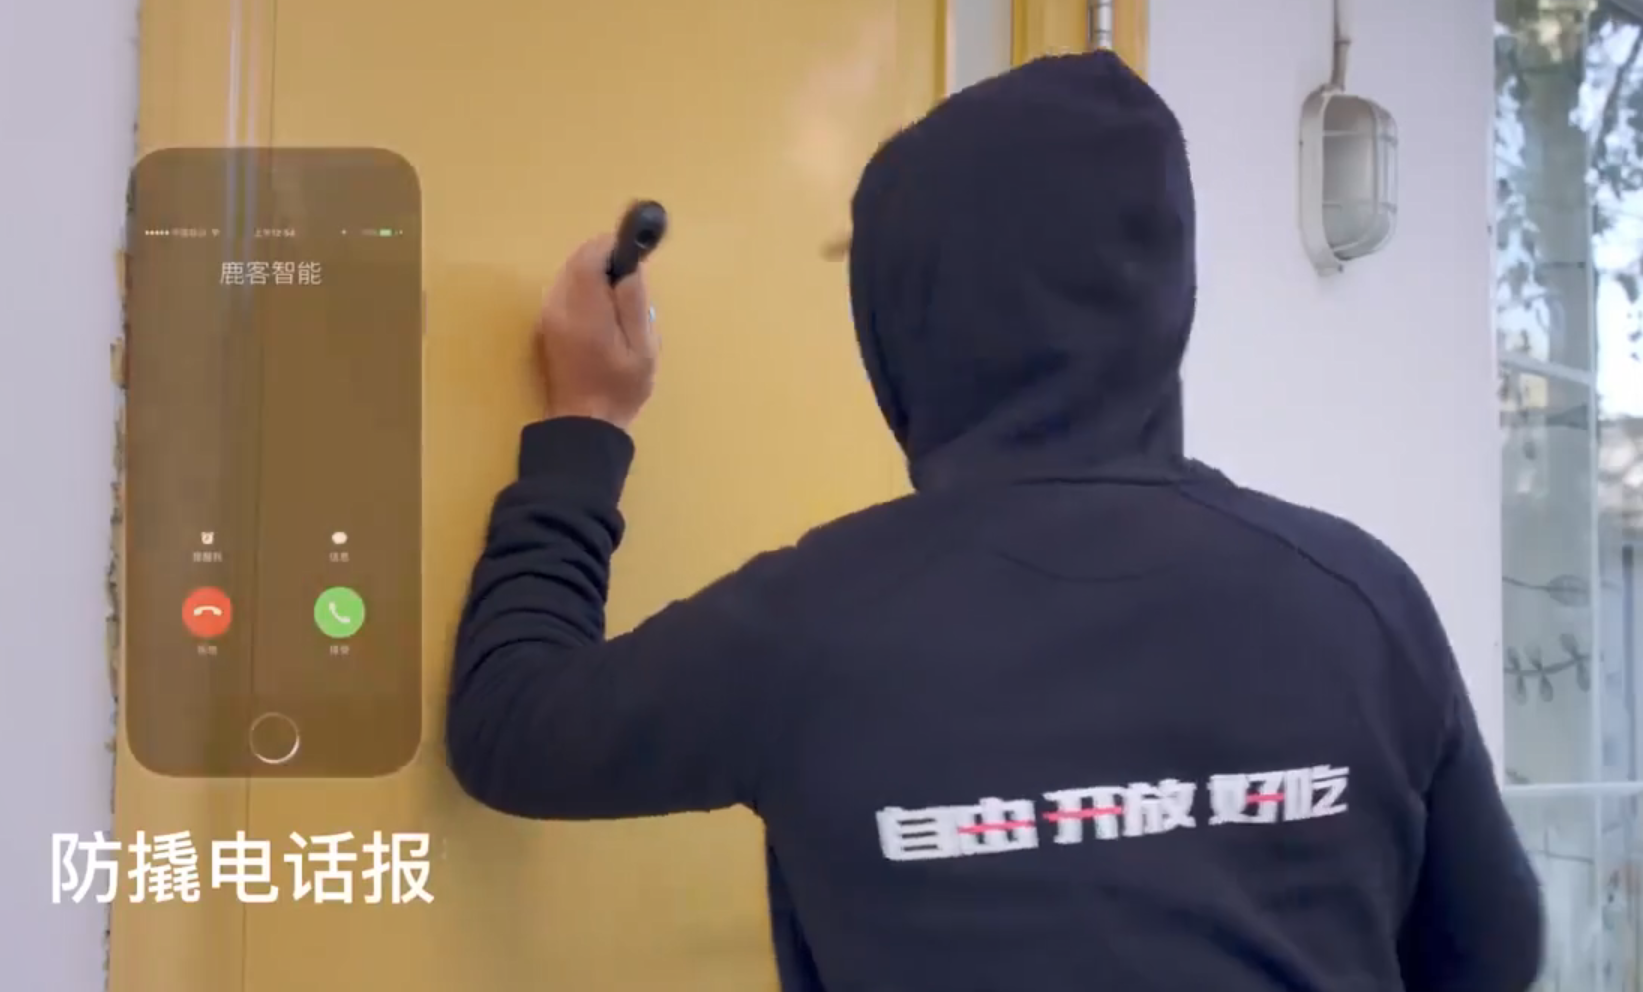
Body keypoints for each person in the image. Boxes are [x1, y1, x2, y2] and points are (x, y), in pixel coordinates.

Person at [446, 50, 1544, 992]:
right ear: (1161, 289)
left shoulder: (814, 626)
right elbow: (1491, 950)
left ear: (899, 319)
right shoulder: (1356, 602)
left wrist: (584, 422)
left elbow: (513, 727)